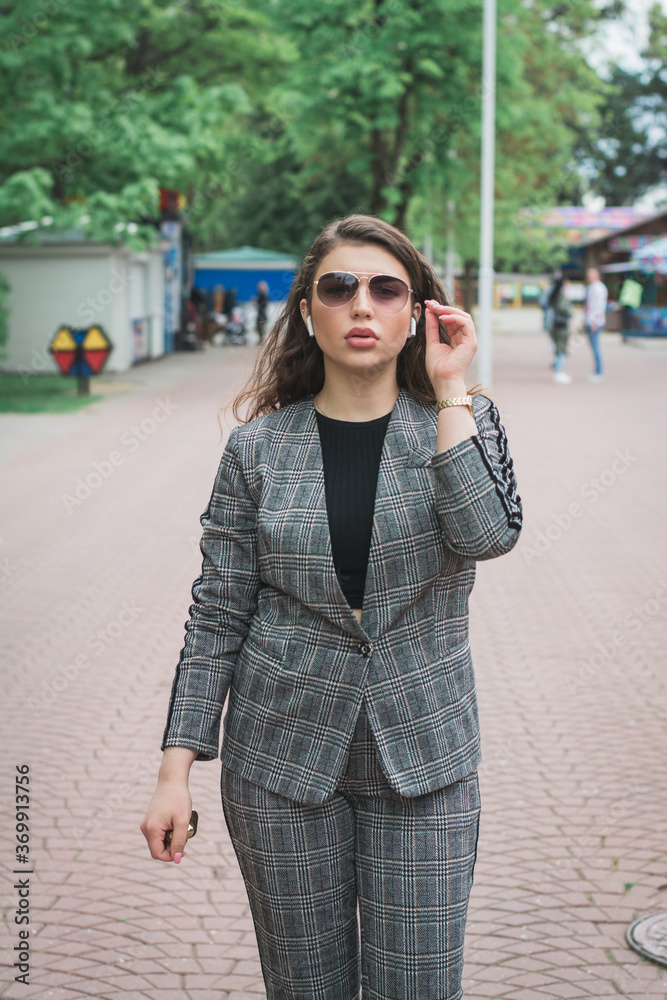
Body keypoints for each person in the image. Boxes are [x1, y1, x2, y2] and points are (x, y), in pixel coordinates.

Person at [141, 214, 523, 1000]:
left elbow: (486, 536)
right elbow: (217, 612)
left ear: (415, 313)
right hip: (279, 763)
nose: (361, 306)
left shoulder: (464, 421)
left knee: (416, 985)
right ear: (307, 311)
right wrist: (175, 769)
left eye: (387, 289)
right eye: (338, 287)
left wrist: (450, 387)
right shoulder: (256, 450)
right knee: (303, 988)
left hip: (423, 763)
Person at [583, 267, 608, 382]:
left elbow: (599, 307)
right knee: (593, 348)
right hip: (590, 321)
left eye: (592, 274)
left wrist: (595, 322)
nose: (590, 277)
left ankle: (598, 372)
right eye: (589, 274)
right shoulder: (591, 287)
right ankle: (596, 371)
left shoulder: (599, 288)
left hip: (595, 323)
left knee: (596, 348)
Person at [549, 276, 573, 384]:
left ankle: (558, 371)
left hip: (555, 325)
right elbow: (563, 308)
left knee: (559, 348)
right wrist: (570, 313)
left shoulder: (554, 294)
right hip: (562, 326)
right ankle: (559, 372)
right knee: (562, 349)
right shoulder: (561, 296)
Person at [539, 270, 561, 366]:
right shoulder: (552, 291)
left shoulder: (551, 291)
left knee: (554, 341)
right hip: (555, 320)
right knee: (555, 341)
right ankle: (555, 359)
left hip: (554, 319)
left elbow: (542, 303)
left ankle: (555, 359)